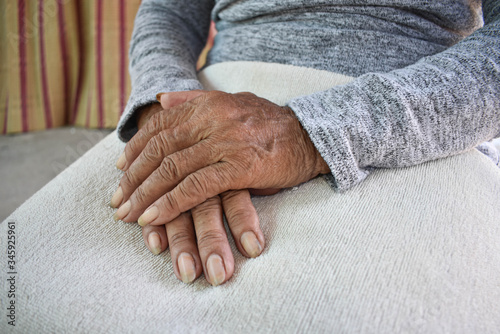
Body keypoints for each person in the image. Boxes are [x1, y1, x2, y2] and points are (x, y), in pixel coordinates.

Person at [110, 0, 500, 286]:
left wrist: (308, 132)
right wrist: (169, 108)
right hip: (209, 104)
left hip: (413, 121)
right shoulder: (178, 116)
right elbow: (169, 12)